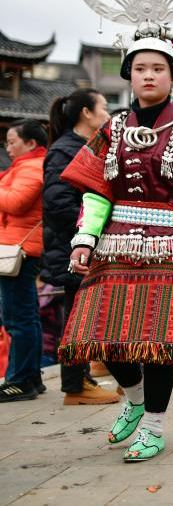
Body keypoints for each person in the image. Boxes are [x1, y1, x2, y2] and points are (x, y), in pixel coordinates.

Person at [60, 27, 173, 461]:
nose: (149, 76)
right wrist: (85, 240)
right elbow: (97, 192)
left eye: (158, 68)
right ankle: (134, 399)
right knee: (101, 337)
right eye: (140, 69)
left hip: (171, 244)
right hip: (115, 243)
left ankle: (154, 425)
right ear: (129, 76)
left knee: (158, 342)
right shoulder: (112, 128)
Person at [42, 89, 120, 405]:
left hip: (86, 248)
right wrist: (91, 232)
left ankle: (85, 376)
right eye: (103, 107)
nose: (107, 113)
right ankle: (75, 385)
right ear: (86, 113)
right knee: (79, 317)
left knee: (87, 315)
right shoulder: (64, 151)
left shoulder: (87, 147)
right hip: (74, 249)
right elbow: (58, 204)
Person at [0, 120, 48, 402]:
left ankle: (19, 380)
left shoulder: (32, 167)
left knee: (18, 318)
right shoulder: (25, 167)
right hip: (20, 249)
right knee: (25, 315)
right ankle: (30, 376)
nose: (8, 147)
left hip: (19, 252)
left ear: (31, 143)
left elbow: (16, 202)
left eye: (12, 141)